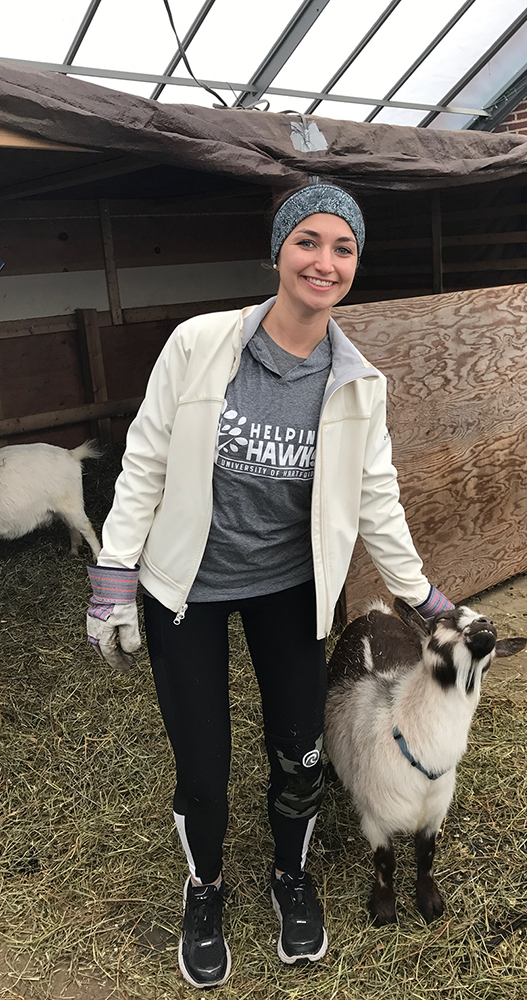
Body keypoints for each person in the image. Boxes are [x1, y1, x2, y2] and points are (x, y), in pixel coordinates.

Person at [85, 183, 453, 988]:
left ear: (355, 263)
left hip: (290, 589)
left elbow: (376, 496)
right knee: (204, 770)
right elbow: (145, 456)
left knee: (300, 754)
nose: (325, 261)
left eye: (343, 248)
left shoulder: (360, 383)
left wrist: (421, 596)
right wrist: (115, 569)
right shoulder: (200, 344)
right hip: (189, 587)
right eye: (309, 242)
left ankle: (293, 875)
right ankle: (206, 885)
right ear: (279, 251)